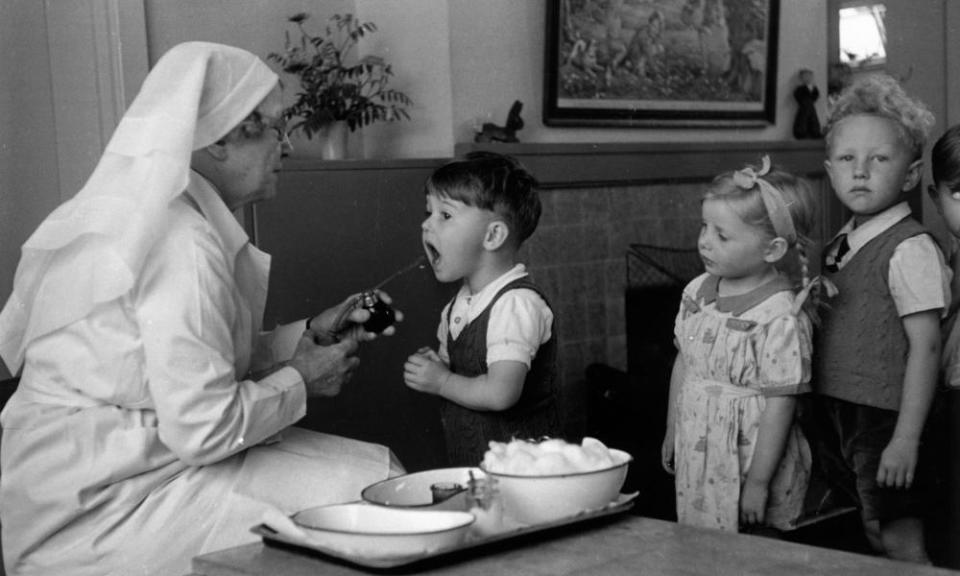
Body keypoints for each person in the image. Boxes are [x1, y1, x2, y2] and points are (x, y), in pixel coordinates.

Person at [0, 42, 405, 576]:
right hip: (102, 511)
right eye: (273, 129)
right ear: (219, 139)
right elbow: (204, 429)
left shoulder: (158, 214)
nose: (285, 146)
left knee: (375, 478)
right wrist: (302, 379)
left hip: (120, 472)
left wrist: (303, 336)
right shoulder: (182, 242)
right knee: (371, 495)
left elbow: (171, 368)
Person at [811, 74, 946, 563]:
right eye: (847, 160)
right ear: (829, 170)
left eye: (880, 160)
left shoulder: (908, 249)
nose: (861, 172)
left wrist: (905, 438)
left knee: (896, 538)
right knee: (863, 535)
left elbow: (925, 347)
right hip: (834, 409)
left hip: (884, 418)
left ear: (910, 176)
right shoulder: (835, 248)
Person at [661, 155, 819, 533]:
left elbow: (781, 403)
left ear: (772, 249)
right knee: (703, 549)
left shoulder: (780, 316)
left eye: (722, 235)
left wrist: (759, 482)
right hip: (700, 448)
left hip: (750, 459)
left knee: (752, 554)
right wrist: (672, 429)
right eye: (704, 227)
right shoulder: (696, 292)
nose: (705, 242)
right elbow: (685, 363)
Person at [403, 152, 562, 467]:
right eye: (428, 212)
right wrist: (437, 367)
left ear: (493, 236)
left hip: (524, 476)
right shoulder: (456, 306)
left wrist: (442, 382)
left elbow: (501, 393)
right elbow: (462, 373)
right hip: (477, 468)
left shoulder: (515, 304)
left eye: (444, 215)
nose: (425, 224)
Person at [792, 68, 822, 140]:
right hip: (804, 106)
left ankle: (815, 132)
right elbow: (797, 95)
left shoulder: (813, 87)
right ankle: (801, 132)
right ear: (802, 78)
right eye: (805, 76)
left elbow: (816, 95)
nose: (808, 78)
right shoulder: (800, 88)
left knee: (813, 119)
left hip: (810, 106)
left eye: (809, 76)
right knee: (803, 119)